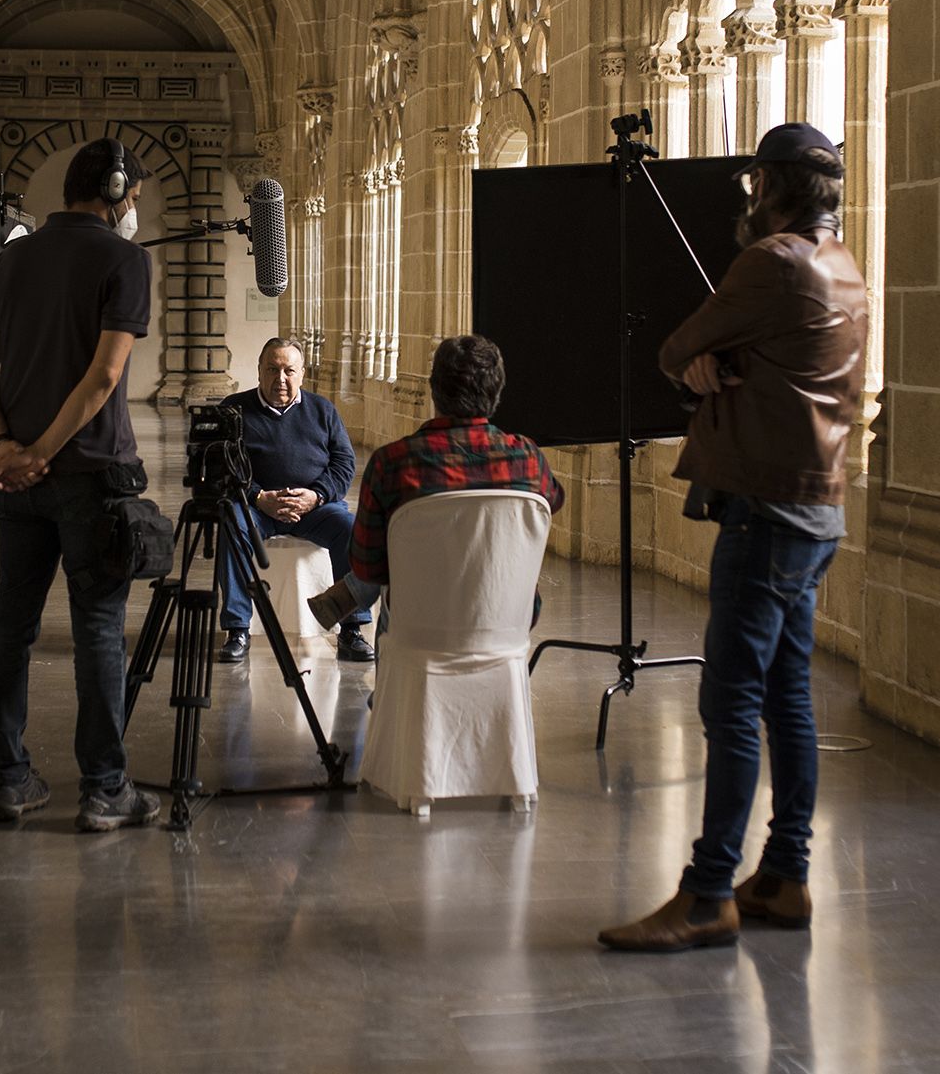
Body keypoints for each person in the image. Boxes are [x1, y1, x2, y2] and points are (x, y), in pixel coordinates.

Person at [599, 122, 866, 953]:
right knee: (788, 696)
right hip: (817, 507)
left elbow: (678, 346)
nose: (747, 198)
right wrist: (721, 363)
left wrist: (703, 364)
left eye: (754, 183)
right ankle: (785, 875)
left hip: (764, 506)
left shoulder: (776, 261)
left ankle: (709, 890)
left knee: (732, 699)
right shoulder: (843, 266)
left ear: (774, 185)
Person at [0, 136, 162, 832]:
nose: (134, 210)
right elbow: (104, 376)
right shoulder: (126, 260)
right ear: (113, 192)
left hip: (16, 480)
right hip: (91, 473)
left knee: (10, 622)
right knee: (99, 628)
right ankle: (105, 788)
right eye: (132, 198)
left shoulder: (10, 259)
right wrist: (42, 450)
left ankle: (9, 778)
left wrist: (5, 447)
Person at [308, 334, 564, 628]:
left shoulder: (393, 464)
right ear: (497, 391)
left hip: (418, 631)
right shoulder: (528, 459)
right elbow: (552, 502)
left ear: (433, 389)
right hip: (505, 621)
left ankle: (345, 597)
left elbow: (367, 565)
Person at [213, 336, 373, 664]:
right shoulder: (233, 410)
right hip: (256, 506)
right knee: (231, 523)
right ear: (258, 371)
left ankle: (352, 628)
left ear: (302, 373)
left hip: (315, 507)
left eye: (289, 370)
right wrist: (258, 496)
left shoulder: (323, 410)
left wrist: (316, 495)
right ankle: (237, 628)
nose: (280, 379)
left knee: (351, 528)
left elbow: (344, 464)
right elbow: (219, 466)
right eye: (272, 369)